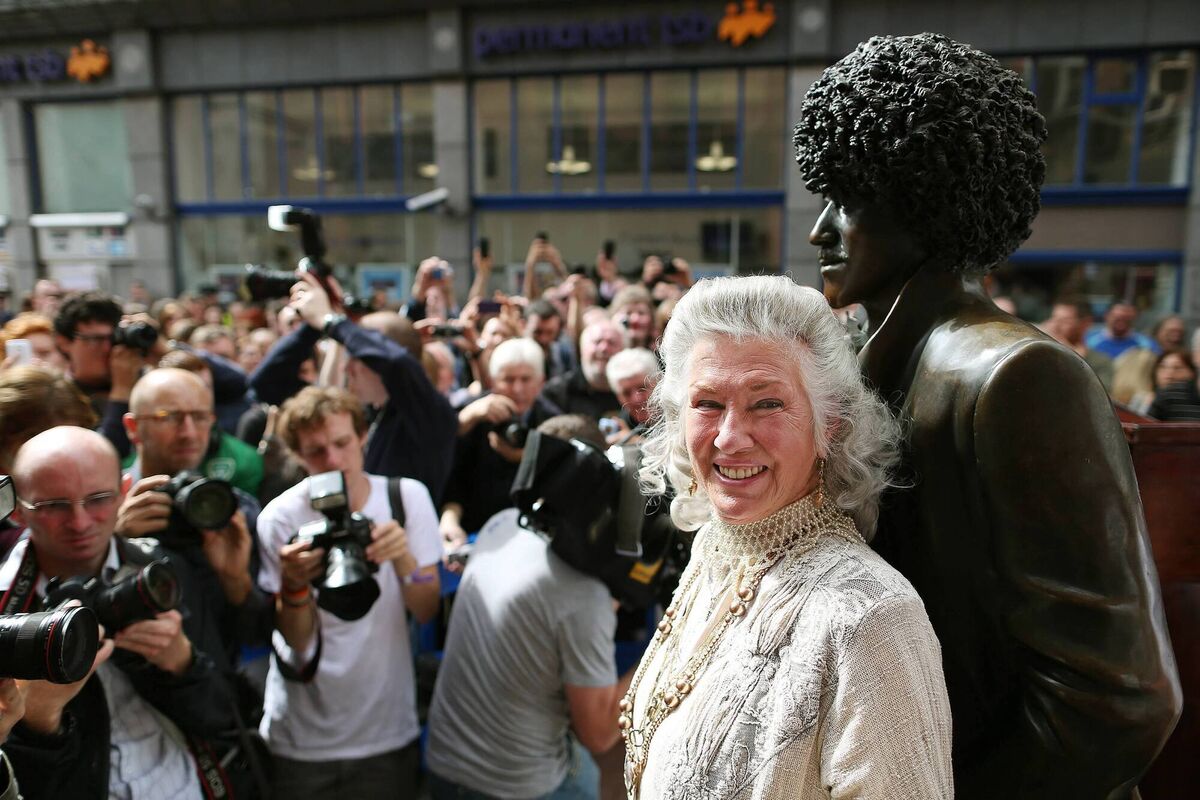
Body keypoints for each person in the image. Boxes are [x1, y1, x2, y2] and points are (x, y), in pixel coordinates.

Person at [795, 32, 1180, 796]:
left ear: (926, 198)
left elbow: (1119, 698)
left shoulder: (1017, 374)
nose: (821, 230)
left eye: (852, 198)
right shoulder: (877, 358)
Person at [624, 275, 950, 797]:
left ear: (833, 425)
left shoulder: (870, 618)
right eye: (707, 403)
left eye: (767, 404)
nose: (730, 437)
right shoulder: (714, 548)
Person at [1, 427, 239, 799]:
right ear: (17, 509)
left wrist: (183, 664)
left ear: (125, 490)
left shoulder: (162, 568)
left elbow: (225, 718)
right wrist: (39, 718)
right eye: (54, 506)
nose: (80, 522)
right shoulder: (5, 604)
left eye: (98, 499)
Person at [426, 415, 630, 800]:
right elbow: (600, 734)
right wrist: (664, 649)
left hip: (442, 765)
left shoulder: (500, 525)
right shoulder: (582, 589)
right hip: (518, 787)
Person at [256, 386, 441, 799]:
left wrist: (404, 559)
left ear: (363, 437)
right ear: (298, 456)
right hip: (300, 736)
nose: (334, 461)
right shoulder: (280, 518)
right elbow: (297, 639)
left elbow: (427, 605)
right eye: (316, 451)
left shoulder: (405, 498)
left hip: (385, 731)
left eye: (341, 443)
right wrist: (294, 582)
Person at [251, 273, 457, 503]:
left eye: (358, 357)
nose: (346, 367)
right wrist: (314, 324)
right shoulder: (364, 413)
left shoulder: (429, 417)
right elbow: (265, 383)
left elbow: (397, 364)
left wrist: (331, 321)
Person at [115, 368, 271, 668]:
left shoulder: (236, 510)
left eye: (200, 417)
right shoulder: (102, 506)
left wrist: (236, 581)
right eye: (169, 417)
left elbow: (259, 635)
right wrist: (116, 543)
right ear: (133, 427)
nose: (188, 432)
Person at [440, 337, 562, 548]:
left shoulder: (553, 422)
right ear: (493, 381)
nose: (517, 389)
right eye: (508, 379)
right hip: (476, 532)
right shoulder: (475, 414)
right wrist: (449, 519)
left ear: (541, 382)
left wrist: (527, 459)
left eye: (526, 379)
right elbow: (453, 478)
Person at [540, 319, 624, 422]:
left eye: (611, 343)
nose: (604, 348)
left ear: (623, 351)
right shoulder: (555, 393)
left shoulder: (635, 394)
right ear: (581, 349)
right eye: (597, 342)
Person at [1046, 300, 1113, 391]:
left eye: (1065, 321)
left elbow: (1099, 397)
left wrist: (1072, 357)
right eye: (1054, 319)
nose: (1055, 326)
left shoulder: (1101, 361)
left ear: (1085, 323)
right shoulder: (1040, 356)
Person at [604, 346, 660, 441]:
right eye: (626, 393)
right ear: (618, 397)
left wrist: (636, 443)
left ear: (658, 383)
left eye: (642, 388)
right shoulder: (620, 426)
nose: (636, 399)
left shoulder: (678, 415)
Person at [1085, 302, 1160, 360]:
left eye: (1126, 319)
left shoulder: (1146, 344)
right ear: (1107, 316)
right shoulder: (1089, 341)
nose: (1121, 323)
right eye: (1118, 319)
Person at [1148, 351, 1200, 421]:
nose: (1169, 373)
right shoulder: (1166, 396)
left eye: (1177, 368)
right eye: (1162, 367)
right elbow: (1147, 428)